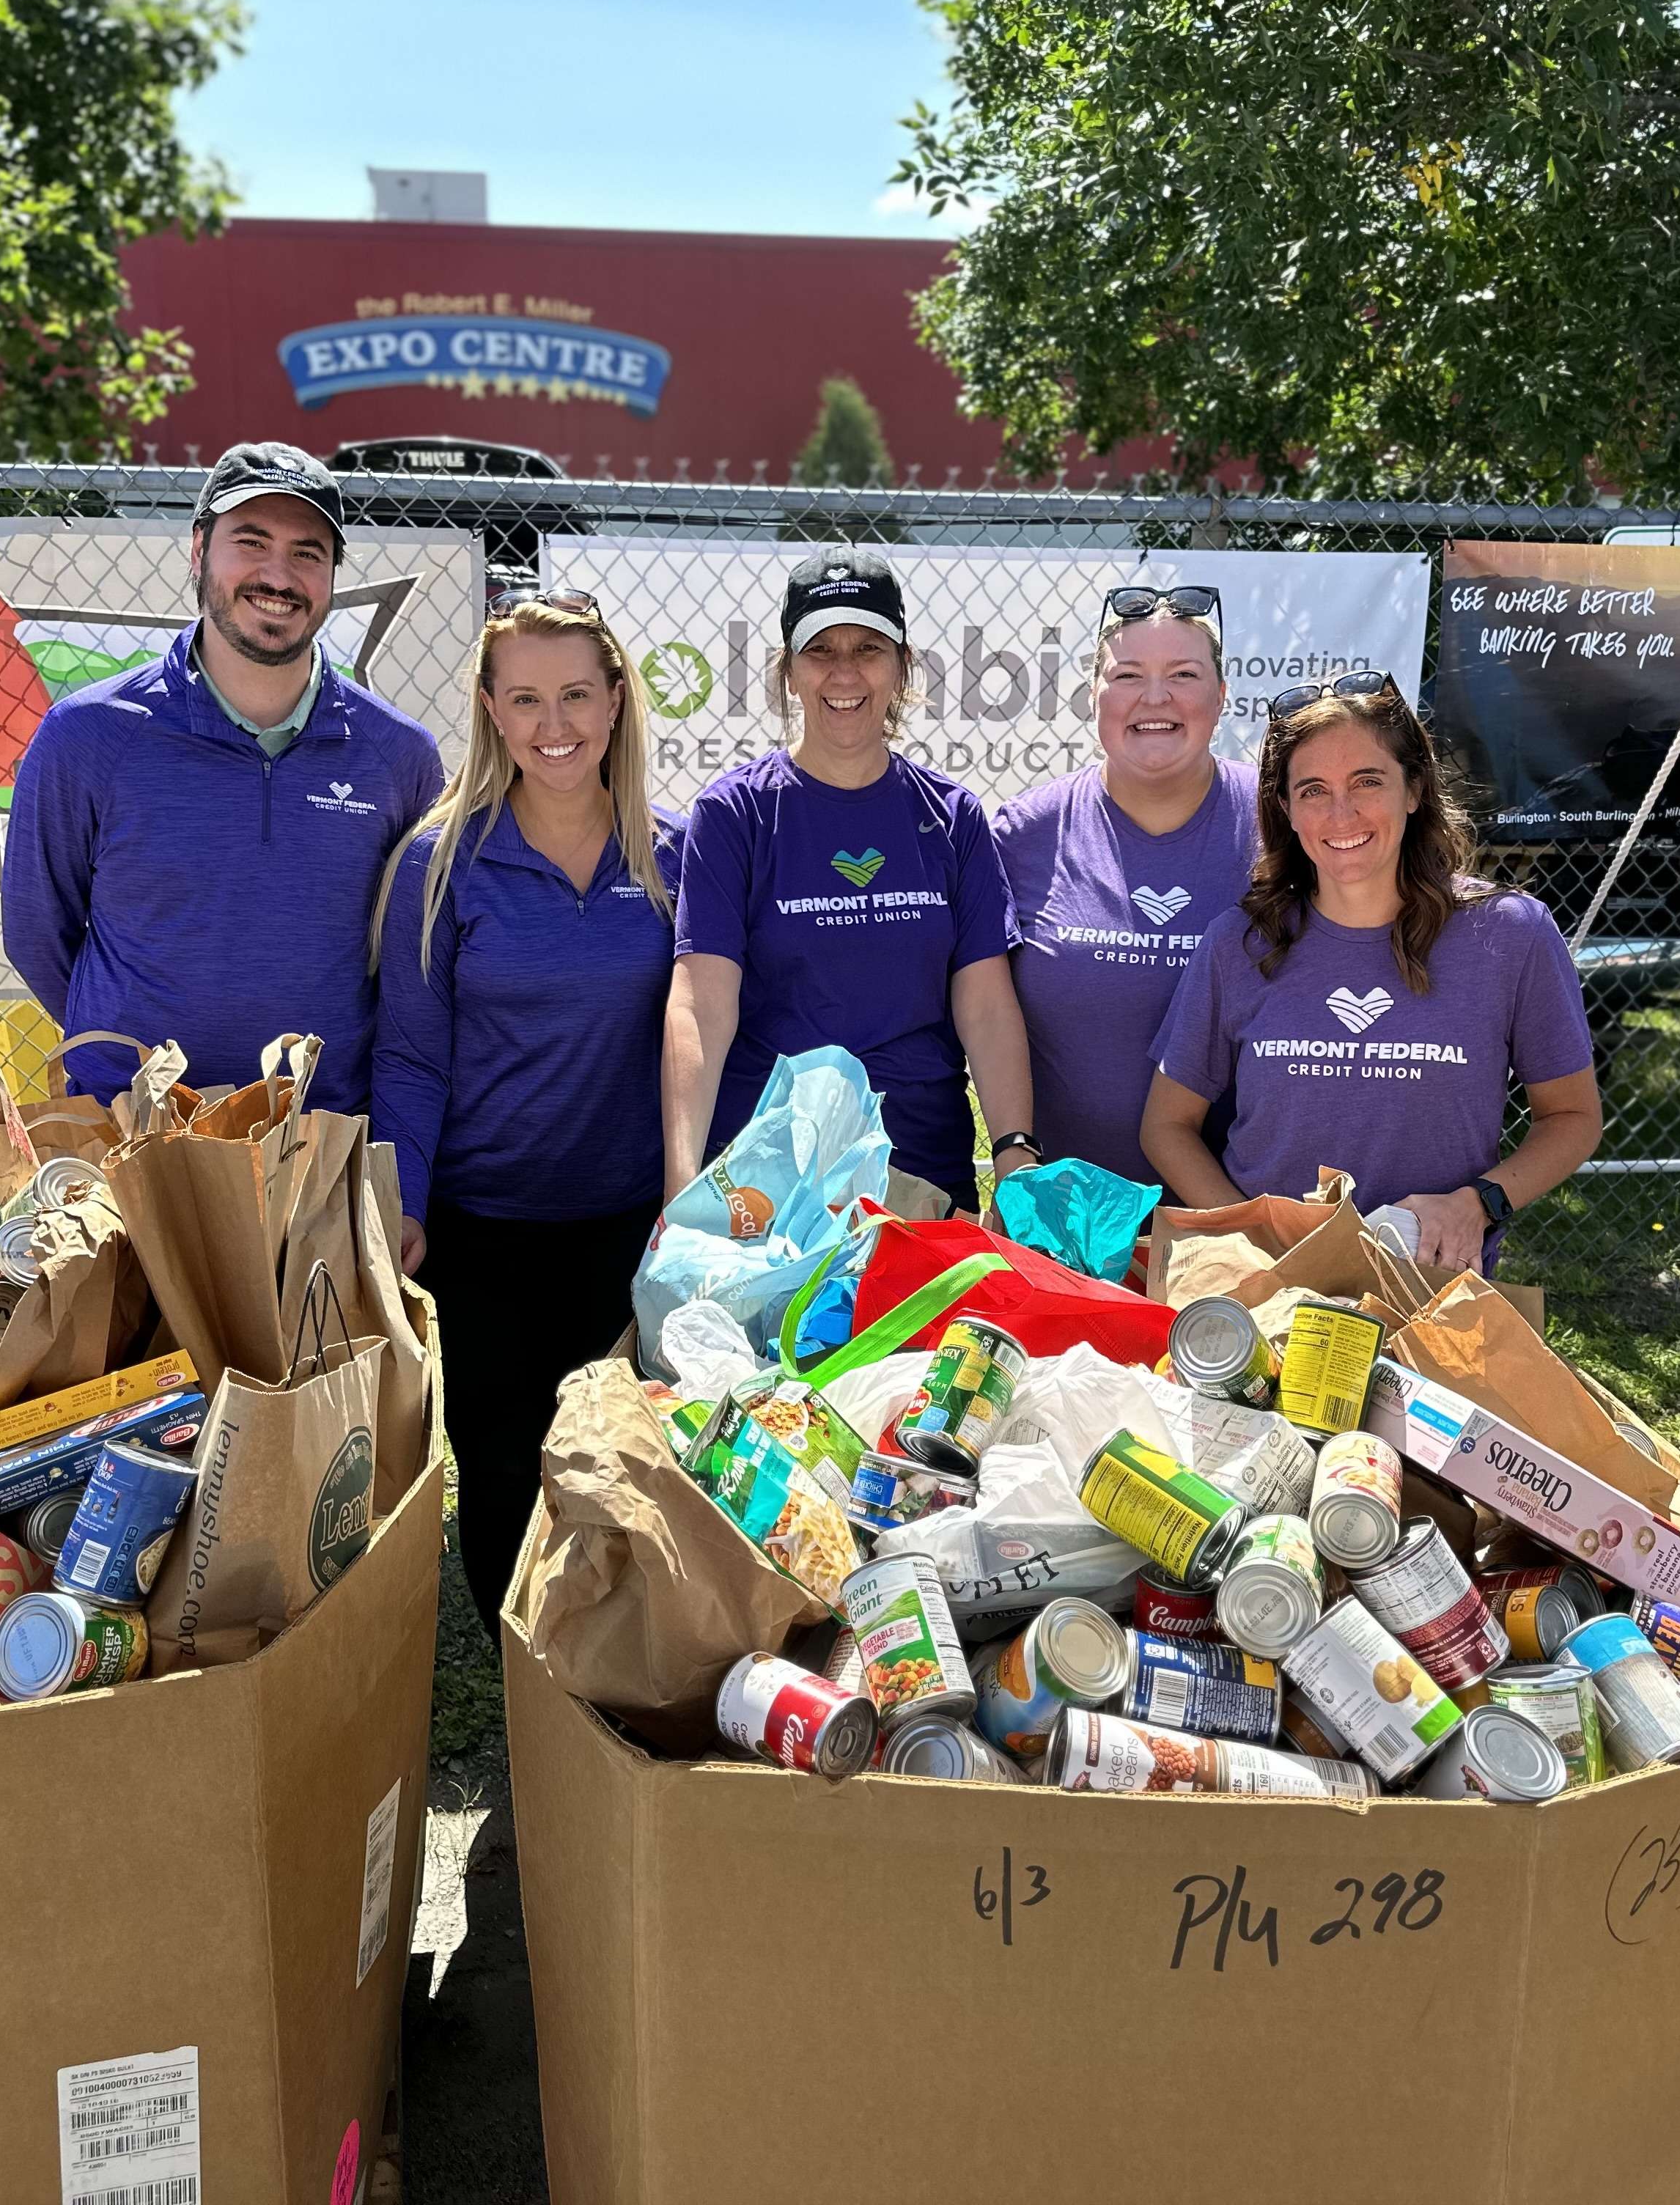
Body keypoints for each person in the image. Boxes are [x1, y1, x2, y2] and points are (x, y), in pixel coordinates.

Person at [369, 586, 679, 1638]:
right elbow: (410, 1054)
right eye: (529, 699)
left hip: (628, 1222)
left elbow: (701, 1044)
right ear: (492, 710)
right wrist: (403, 1202)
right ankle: (519, 1669)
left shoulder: (672, 856)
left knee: (619, 1454)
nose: (557, 727)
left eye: (578, 696)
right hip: (484, 1224)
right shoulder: (441, 859)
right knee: (500, 1461)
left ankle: (607, 1653)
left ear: (618, 701)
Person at [3, 441, 444, 1113]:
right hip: (129, 1135)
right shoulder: (88, 736)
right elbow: (39, 931)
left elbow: (414, 971)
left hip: (320, 1138)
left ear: (331, 575)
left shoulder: (398, 756)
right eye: (252, 541)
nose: (279, 575)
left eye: (307, 552)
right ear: (199, 548)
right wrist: (125, 1052)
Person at [1143, 674, 1605, 1274]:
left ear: (1414, 788)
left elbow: (1573, 1118)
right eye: (1313, 790)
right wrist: (1250, 1240)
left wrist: (1480, 1204)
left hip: (1432, 1282)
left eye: (1368, 781)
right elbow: (1167, 1125)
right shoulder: (1240, 943)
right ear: (1285, 809)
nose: (1342, 813)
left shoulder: (1511, 935)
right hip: (1268, 1282)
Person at [664, 550, 1036, 1211]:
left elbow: (985, 1007)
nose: (844, 672)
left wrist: (1013, 1155)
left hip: (921, 1175)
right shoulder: (735, 814)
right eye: (820, 650)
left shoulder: (951, 817)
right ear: (788, 670)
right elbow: (701, 1008)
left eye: (867, 647)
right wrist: (681, 1188)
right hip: (770, 1184)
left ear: (902, 665)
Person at [994, 584, 1259, 1182]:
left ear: (1221, 697)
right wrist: (1015, 1156)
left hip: (1244, 1216)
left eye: (1184, 675)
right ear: (1094, 697)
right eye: (1129, 675)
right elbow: (979, 1009)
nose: (1156, 697)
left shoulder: (1282, 824)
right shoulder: (1026, 833)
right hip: (1067, 1217)